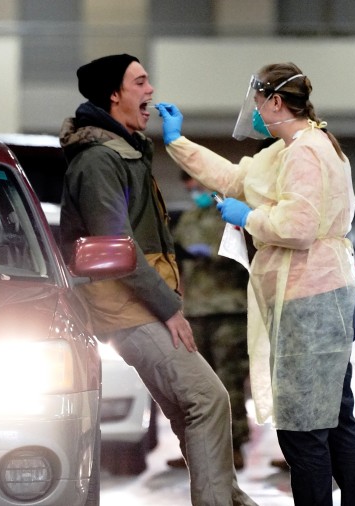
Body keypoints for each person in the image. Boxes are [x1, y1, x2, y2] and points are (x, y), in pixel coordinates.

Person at [156, 62, 355, 506]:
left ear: (276, 102)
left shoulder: (305, 151)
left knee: (305, 431)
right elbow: (235, 178)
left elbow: (299, 224)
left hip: (313, 297)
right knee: (334, 421)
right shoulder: (287, 148)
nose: (254, 113)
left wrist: (248, 218)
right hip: (317, 296)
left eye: (258, 104)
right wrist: (178, 142)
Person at [58, 53, 258, 506]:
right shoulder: (98, 161)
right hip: (122, 306)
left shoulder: (125, 152)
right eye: (140, 82)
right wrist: (169, 311)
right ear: (114, 94)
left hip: (136, 302)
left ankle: (231, 500)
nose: (151, 91)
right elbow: (117, 249)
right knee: (209, 399)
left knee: (193, 413)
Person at [168, 172, 251, 470]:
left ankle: (234, 447)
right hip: (195, 311)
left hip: (228, 309)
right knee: (197, 386)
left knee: (228, 381)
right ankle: (199, 449)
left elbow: (236, 253)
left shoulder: (228, 213)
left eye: (198, 183)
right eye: (188, 184)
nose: (193, 188)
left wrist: (207, 253)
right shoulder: (189, 217)